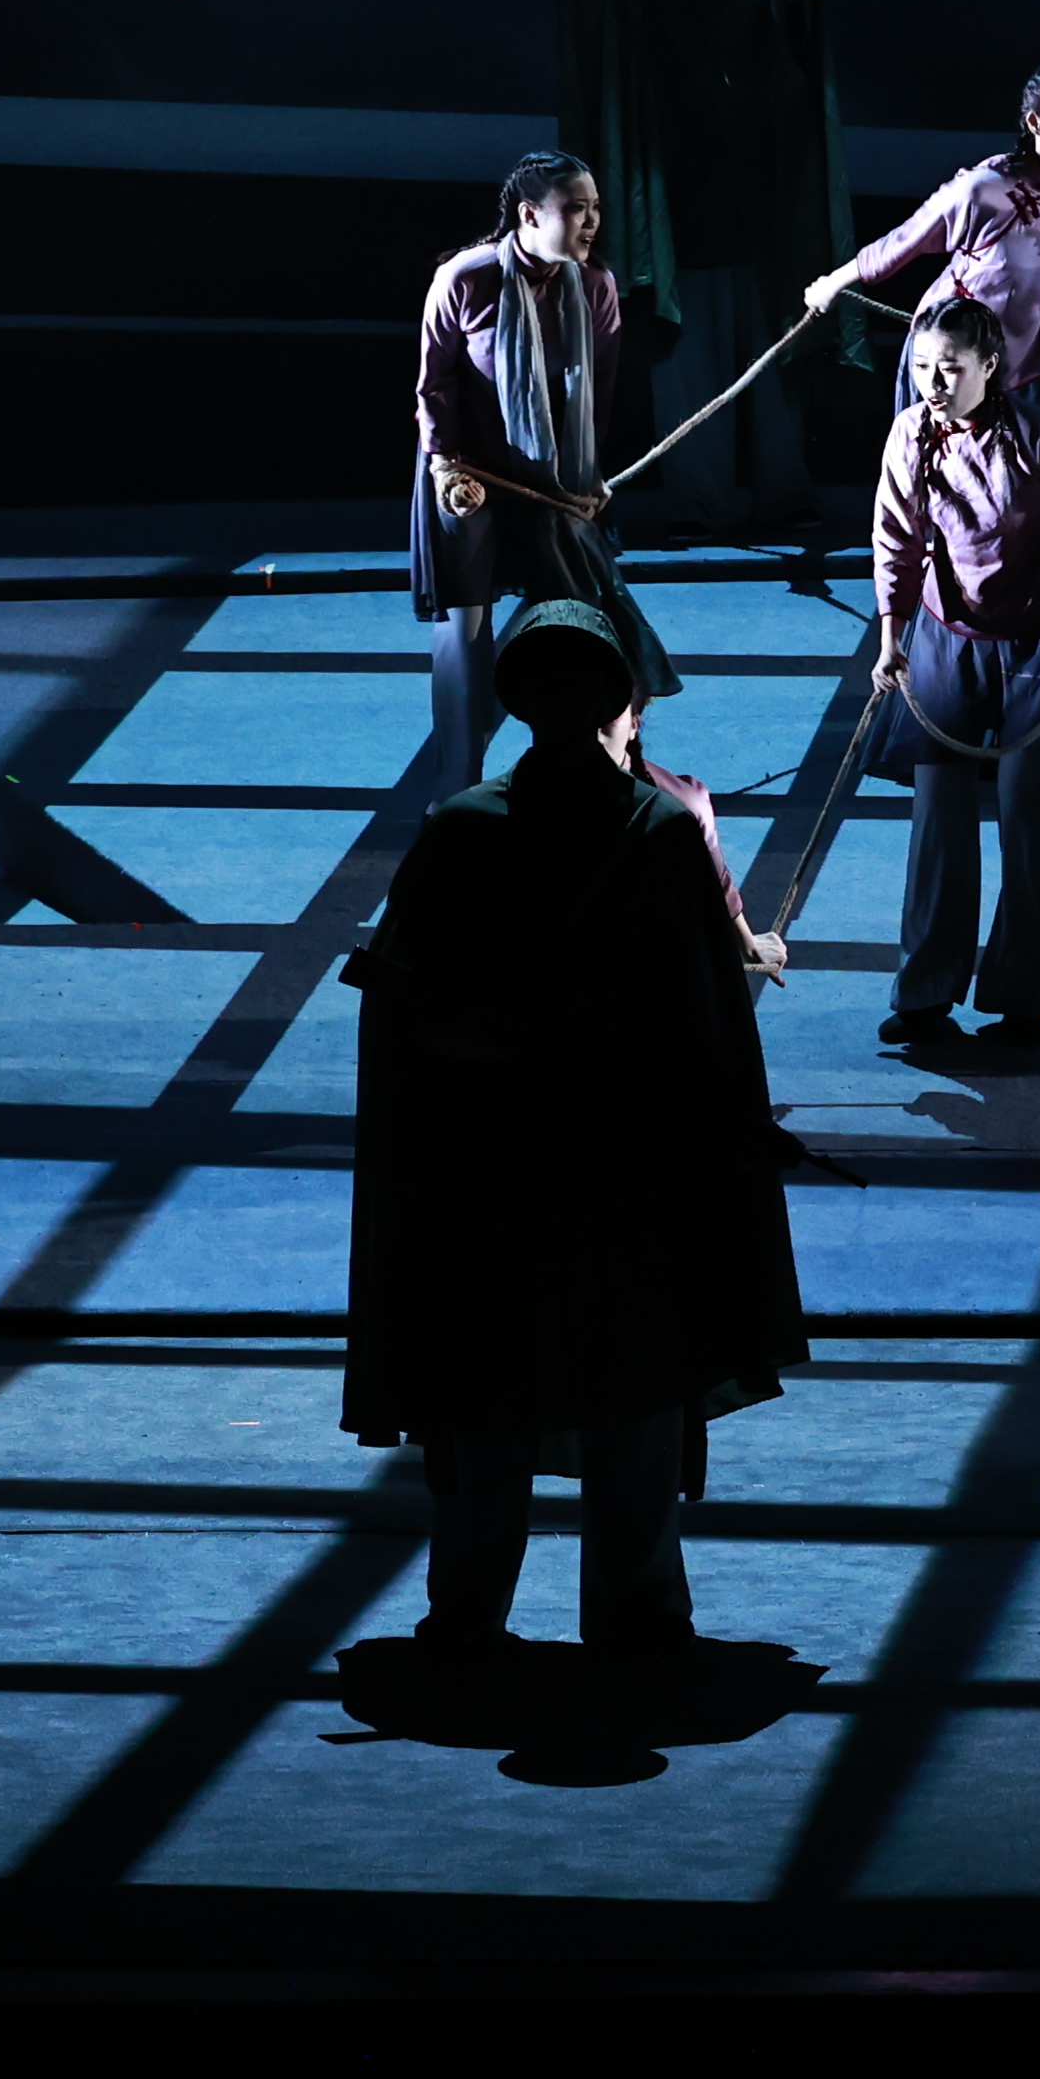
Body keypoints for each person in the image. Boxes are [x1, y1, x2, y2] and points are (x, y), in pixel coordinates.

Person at [342, 598, 811, 1680]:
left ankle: (469, 1617)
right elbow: (706, 1022)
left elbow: (410, 1014)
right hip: (627, 1168)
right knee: (634, 1393)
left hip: (494, 1168)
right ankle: (635, 1617)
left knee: (486, 1400)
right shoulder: (657, 835)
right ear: (618, 700)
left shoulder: (464, 830)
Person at [556, 0, 848, 542]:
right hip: (678, 189)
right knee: (685, 354)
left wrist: (784, 0)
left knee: (774, 348)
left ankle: (784, 493)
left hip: (759, 186)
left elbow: (807, 25)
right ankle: (701, 501)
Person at [863, 297, 1040, 1053]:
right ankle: (925, 991)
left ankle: (1023, 996)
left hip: (1036, 635)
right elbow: (895, 537)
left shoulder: (1037, 436)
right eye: (923, 367)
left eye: (950, 368)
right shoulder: (909, 435)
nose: (933, 382)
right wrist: (891, 638)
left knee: (1035, 822)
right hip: (944, 635)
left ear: (991, 367)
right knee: (938, 821)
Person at [412, 153, 683, 800]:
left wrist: (589, 478)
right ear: (530, 214)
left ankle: (551, 769)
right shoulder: (465, 278)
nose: (591, 221)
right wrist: (445, 468)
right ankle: (455, 790)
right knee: (463, 638)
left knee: (573, 610)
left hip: (554, 481)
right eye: (576, 208)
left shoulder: (596, 287)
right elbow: (434, 386)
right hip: (467, 477)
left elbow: (600, 396)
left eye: (596, 208)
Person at [809, 60, 1040, 439]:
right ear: (1036, 122)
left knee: (1036, 467)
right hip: (953, 353)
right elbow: (901, 243)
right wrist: (832, 284)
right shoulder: (983, 189)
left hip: (1027, 355)